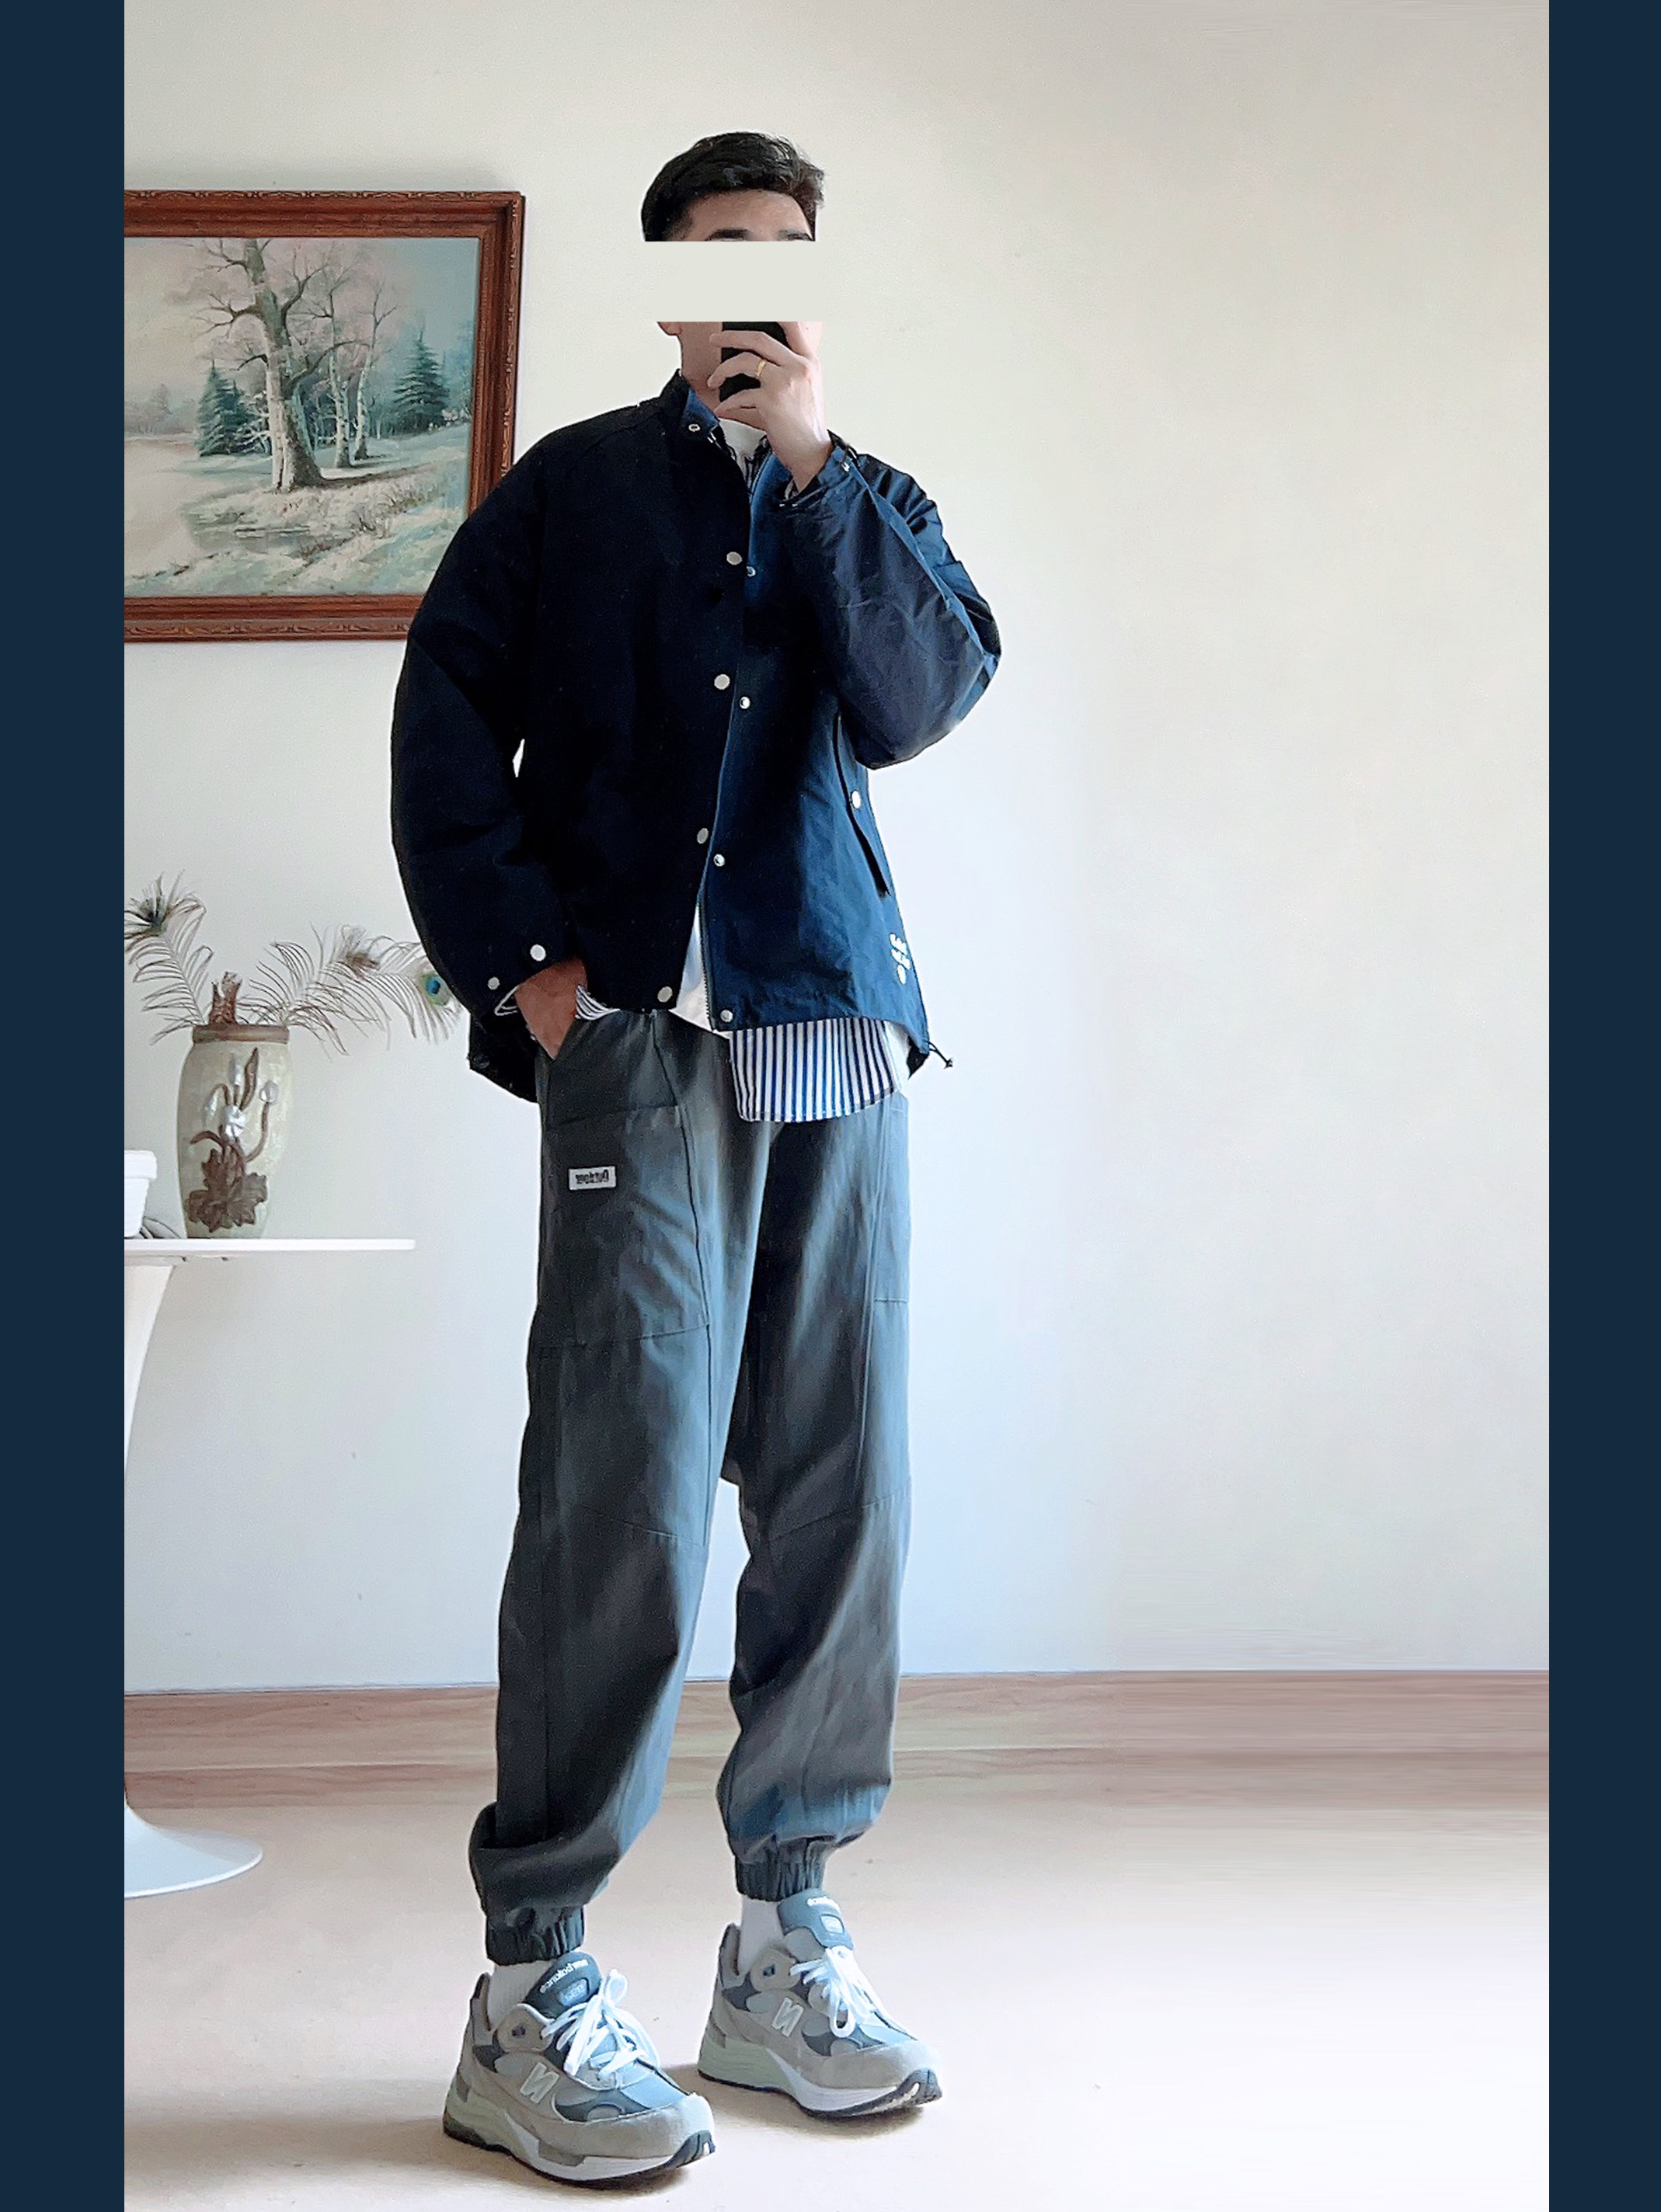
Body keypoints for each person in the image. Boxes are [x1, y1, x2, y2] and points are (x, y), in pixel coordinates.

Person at [392, 130, 1001, 2186]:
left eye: (781, 254)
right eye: (715, 251)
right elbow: (443, 726)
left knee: (841, 1493)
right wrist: (526, 974)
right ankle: (533, 1981)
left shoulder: (872, 501)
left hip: (837, 1040)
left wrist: (812, 462)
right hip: (641, 1042)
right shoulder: (566, 495)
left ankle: (784, 1942)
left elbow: (920, 700)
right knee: (622, 1499)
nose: (746, 284)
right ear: (663, 280)